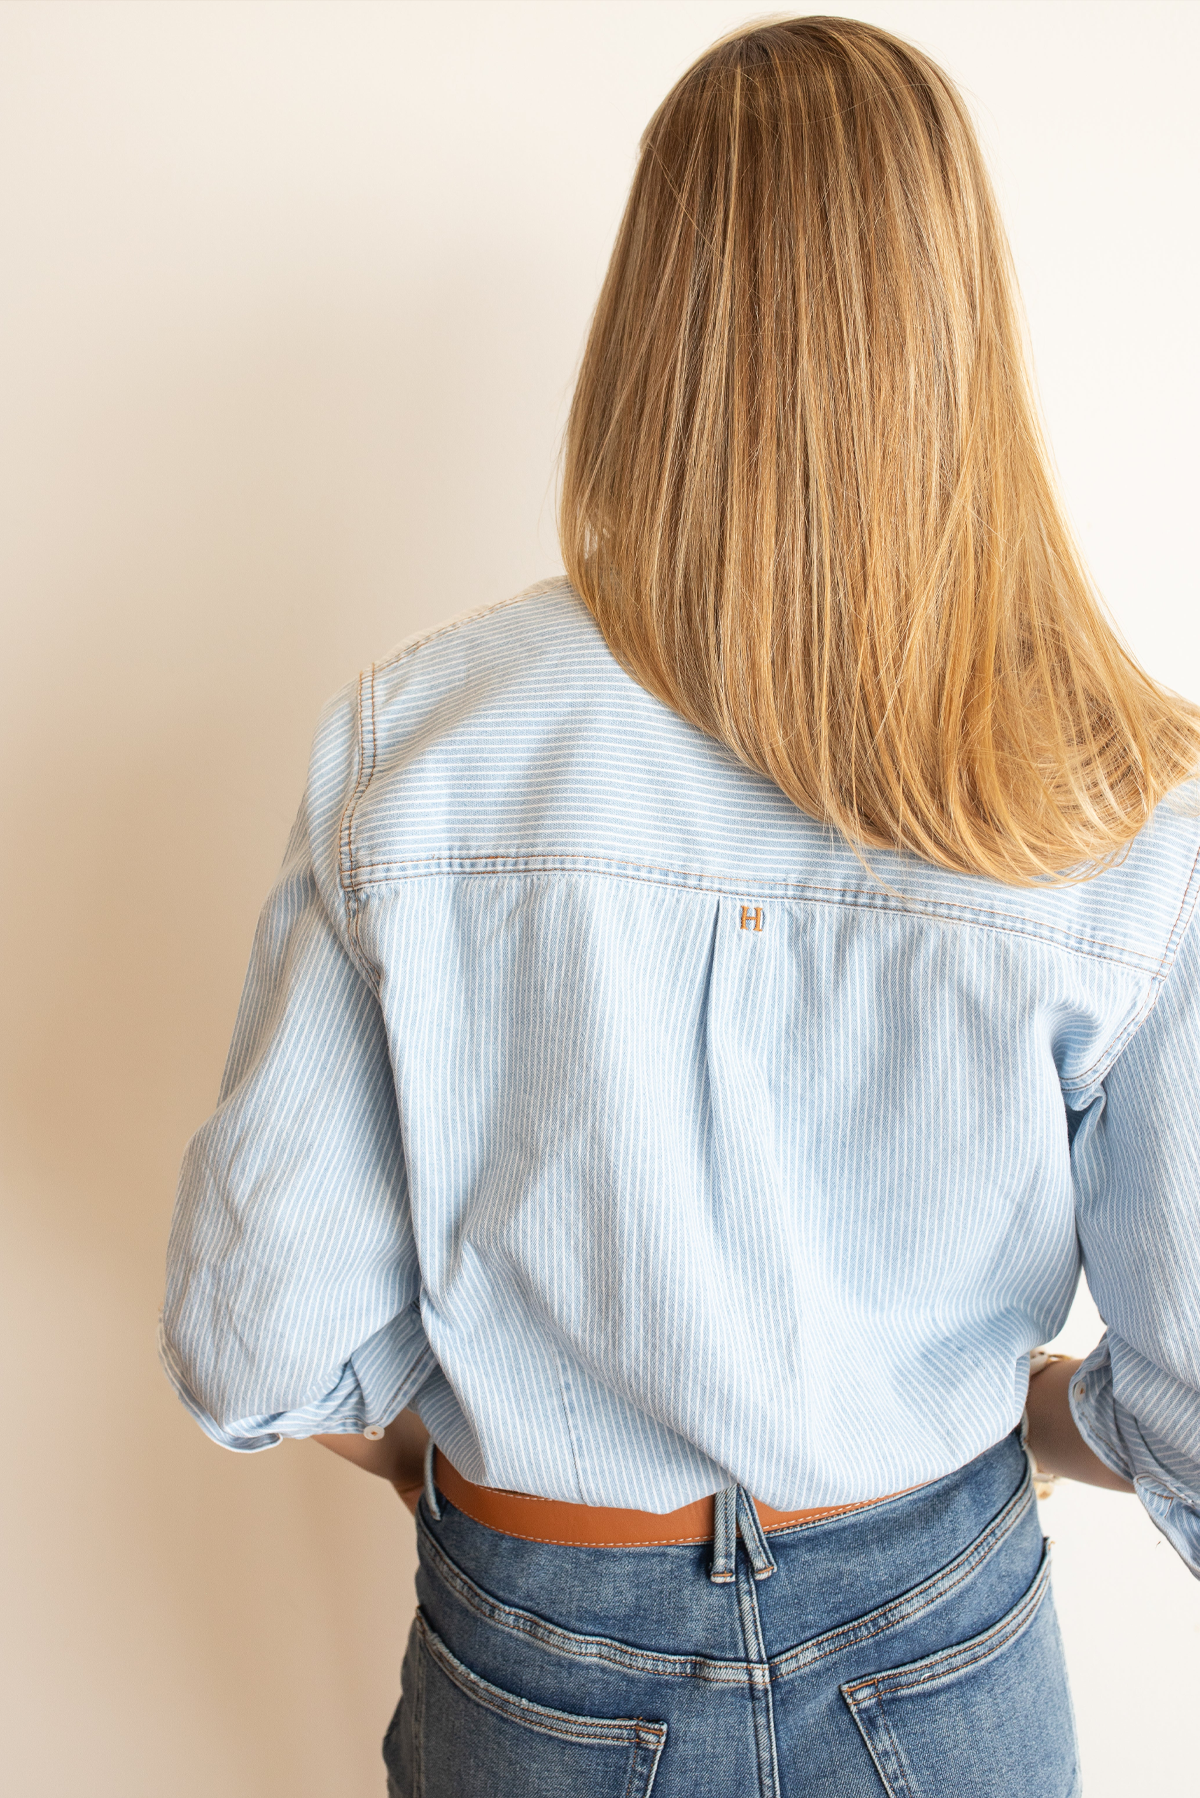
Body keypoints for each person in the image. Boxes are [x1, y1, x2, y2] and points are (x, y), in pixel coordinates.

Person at [160, 16, 1200, 1796]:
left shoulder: (421, 744)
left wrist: (484, 1452)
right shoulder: (1115, 784)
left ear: (655, 318)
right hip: (946, 1641)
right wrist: (1028, 1422)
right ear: (959, 321)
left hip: (534, 1641)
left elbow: (254, 1336)